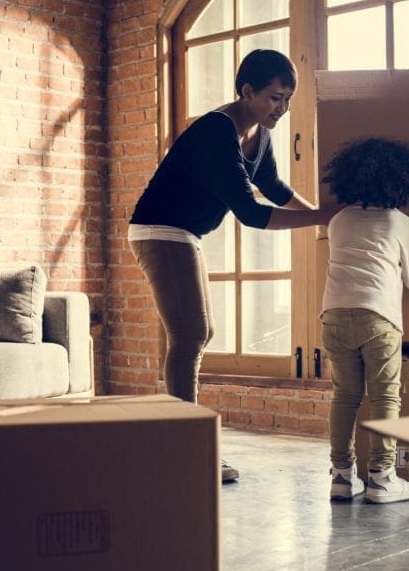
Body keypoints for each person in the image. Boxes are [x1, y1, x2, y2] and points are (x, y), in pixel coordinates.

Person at [129, 49, 340, 483]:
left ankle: (183, 441)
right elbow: (249, 211)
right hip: (159, 229)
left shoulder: (259, 136)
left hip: (185, 233)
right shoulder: (214, 131)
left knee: (200, 333)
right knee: (188, 334)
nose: (281, 109)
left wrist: (325, 222)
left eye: (287, 101)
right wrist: (322, 218)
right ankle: (188, 449)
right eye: (274, 99)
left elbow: (275, 189)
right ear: (247, 92)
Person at [319, 137, 409, 503]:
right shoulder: (403, 224)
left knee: (344, 396)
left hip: (333, 315)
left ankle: (342, 476)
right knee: (384, 397)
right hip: (378, 318)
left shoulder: (339, 220)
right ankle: (381, 477)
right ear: (403, 181)